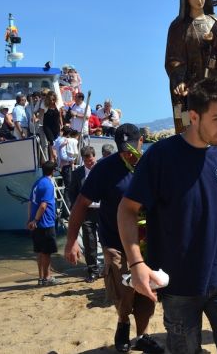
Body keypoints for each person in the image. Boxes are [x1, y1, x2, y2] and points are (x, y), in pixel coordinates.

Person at [118, 79, 217, 354]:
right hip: (178, 286)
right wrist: (136, 264)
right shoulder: (160, 156)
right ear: (194, 116)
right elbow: (127, 210)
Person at [64, 125, 163, 353]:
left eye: (131, 148)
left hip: (147, 243)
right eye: (122, 150)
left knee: (147, 292)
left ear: (141, 142)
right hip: (114, 241)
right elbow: (81, 204)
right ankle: (123, 323)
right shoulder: (104, 169)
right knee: (123, 288)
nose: (128, 154)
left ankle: (142, 335)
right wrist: (70, 242)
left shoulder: (151, 167)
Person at [165, 0, 217, 134]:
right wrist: (178, 80)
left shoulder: (216, 22)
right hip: (190, 86)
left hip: (216, 84)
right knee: (188, 124)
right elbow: (173, 59)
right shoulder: (178, 26)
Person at [66, 146, 101, 283]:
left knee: (107, 239)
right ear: (83, 160)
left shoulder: (103, 170)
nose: (90, 164)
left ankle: (110, 266)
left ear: (95, 157)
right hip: (87, 212)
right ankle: (93, 271)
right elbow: (71, 193)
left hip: (103, 211)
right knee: (89, 242)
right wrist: (74, 209)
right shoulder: (77, 174)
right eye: (87, 162)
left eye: (91, 161)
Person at [28, 161, 59, 286]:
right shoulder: (48, 185)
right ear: (53, 171)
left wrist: (30, 219)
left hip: (37, 222)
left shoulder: (37, 182)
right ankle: (47, 277)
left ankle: (41, 277)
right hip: (45, 222)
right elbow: (43, 205)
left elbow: (30, 202)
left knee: (40, 251)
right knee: (47, 252)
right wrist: (35, 220)